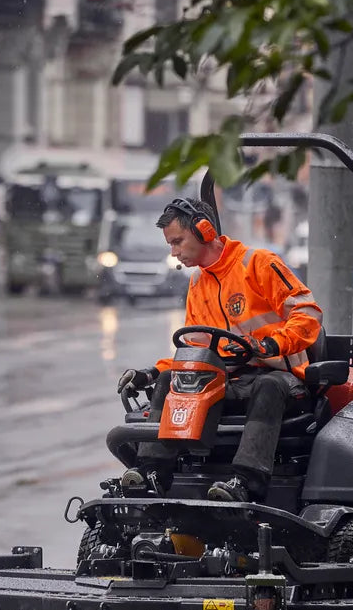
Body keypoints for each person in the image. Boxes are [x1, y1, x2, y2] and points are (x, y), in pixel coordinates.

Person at [115, 198, 323, 503]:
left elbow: (309, 313)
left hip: (281, 378)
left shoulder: (258, 263)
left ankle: (246, 480)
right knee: (170, 381)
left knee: (268, 385)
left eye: (177, 242)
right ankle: (152, 471)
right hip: (228, 381)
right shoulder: (199, 281)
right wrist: (153, 372)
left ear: (204, 230)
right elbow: (193, 349)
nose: (173, 252)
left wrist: (271, 344)